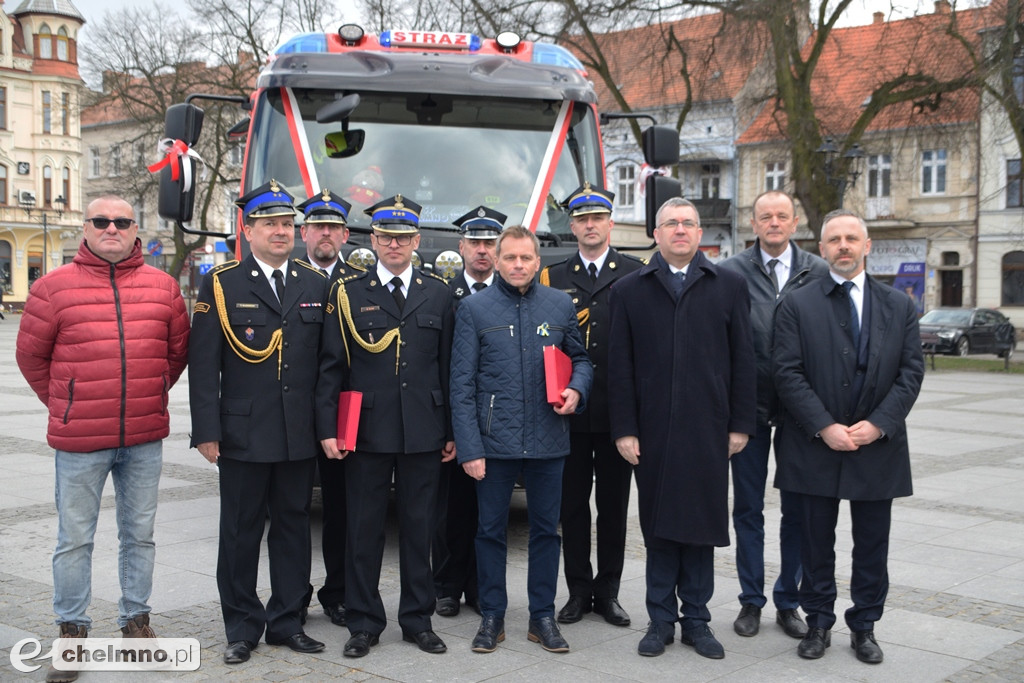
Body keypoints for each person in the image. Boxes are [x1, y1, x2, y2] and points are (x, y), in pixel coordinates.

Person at [16, 195, 190, 683]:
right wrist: (66, 403)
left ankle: (136, 624)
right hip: (80, 440)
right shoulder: (51, 288)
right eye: (101, 221)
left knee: (140, 535)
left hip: (144, 437)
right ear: (85, 228)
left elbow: (177, 354)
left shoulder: (164, 288)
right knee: (74, 539)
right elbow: (31, 357)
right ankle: (71, 634)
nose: (111, 228)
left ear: (135, 230)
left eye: (121, 221)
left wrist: (152, 392)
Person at [772, 209, 924, 664]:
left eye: (851, 238)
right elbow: (786, 371)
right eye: (834, 239)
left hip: (878, 446)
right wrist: (824, 426)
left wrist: (879, 424)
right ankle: (818, 622)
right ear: (821, 249)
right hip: (814, 444)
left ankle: (865, 626)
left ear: (866, 245)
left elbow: (910, 372)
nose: (843, 246)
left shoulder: (899, 305)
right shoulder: (797, 304)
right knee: (815, 541)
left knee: (872, 544)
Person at [608, 197, 756, 659]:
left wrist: (740, 424)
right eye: (670, 223)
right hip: (651, 431)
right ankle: (660, 620)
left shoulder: (728, 285)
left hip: (708, 429)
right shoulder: (629, 289)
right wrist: (624, 429)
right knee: (658, 528)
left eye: (688, 223)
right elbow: (619, 366)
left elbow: (744, 360)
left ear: (699, 233)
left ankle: (696, 620)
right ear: (656, 233)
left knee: (700, 526)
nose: (679, 230)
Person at [189, 180, 328, 665]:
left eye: (287, 223)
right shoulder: (222, 283)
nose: (280, 231)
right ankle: (242, 627)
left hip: (297, 432)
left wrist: (326, 427)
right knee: (240, 532)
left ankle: (287, 621)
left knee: (293, 529)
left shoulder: (315, 283)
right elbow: (204, 364)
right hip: (243, 432)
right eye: (270, 224)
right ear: (247, 231)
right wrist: (206, 430)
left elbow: (327, 365)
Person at [316, 194, 455, 658]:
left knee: (419, 530)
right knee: (363, 530)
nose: (394, 244)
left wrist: (452, 431)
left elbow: (448, 368)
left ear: (416, 241)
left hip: (423, 430)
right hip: (366, 431)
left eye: (403, 237)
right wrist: (329, 428)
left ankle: (417, 620)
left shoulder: (439, 292)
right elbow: (332, 367)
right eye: (385, 236)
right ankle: (363, 622)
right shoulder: (349, 292)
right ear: (372, 240)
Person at [450, 225, 593, 655]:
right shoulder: (474, 309)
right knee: (489, 532)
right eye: (509, 257)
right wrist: (470, 448)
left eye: (525, 258)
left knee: (546, 532)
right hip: (494, 443)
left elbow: (581, 360)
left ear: (537, 262)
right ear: (496, 261)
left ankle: (542, 617)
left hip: (549, 440)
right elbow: (462, 385)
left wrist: (577, 389)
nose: (517, 265)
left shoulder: (559, 304)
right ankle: (492, 615)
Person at [719, 190, 828, 640]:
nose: (774, 223)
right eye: (766, 216)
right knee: (748, 509)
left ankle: (788, 601)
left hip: (802, 414)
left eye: (782, 215)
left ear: (795, 222)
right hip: (749, 411)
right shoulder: (730, 273)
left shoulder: (817, 271)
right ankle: (751, 600)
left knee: (797, 510)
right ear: (754, 223)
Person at [540, 183, 642, 628]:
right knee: (572, 508)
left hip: (619, 413)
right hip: (569, 413)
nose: (590, 225)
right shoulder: (552, 276)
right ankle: (579, 591)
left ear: (610, 223)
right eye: (581, 219)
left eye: (597, 217)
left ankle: (609, 592)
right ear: (572, 225)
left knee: (614, 507)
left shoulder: (635, 273)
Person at [433, 205, 506, 619]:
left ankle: (479, 588)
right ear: (460, 247)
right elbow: (438, 364)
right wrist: (448, 428)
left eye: (489, 243)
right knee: (449, 511)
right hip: (453, 422)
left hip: (495, 421)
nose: (482, 250)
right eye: (475, 242)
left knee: (488, 512)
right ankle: (446, 587)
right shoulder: (443, 295)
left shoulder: (509, 294)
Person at [296, 188, 359, 629]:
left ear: (345, 235)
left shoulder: (359, 281)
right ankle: (295, 595)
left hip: (343, 414)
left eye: (333, 227)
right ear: (304, 232)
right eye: (318, 226)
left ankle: (338, 593)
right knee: (295, 511)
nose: (325, 234)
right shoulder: (290, 276)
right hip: (296, 414)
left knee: (341, 510)